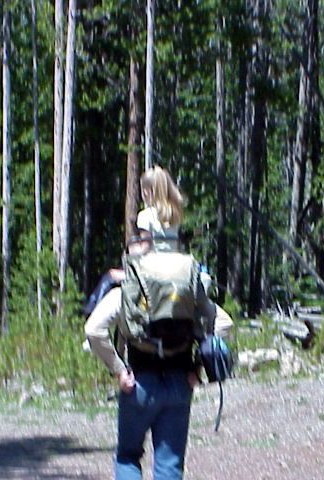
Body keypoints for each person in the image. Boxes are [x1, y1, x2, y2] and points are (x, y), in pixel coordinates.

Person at [84, 234, 233, 480]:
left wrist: (119, 370)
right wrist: (197, 368)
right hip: (180, 380)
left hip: (139, 383)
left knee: (128, 456)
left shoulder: (125, 294)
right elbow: (224, 323)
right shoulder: (185, 290)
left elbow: (93, 329)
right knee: (169, 466)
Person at [137, 165, 184, 252]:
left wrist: (132, 250)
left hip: (154, 259)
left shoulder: (144, 216)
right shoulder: (174, 213)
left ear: (147, 191)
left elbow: (145, 247)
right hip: (173, 259)